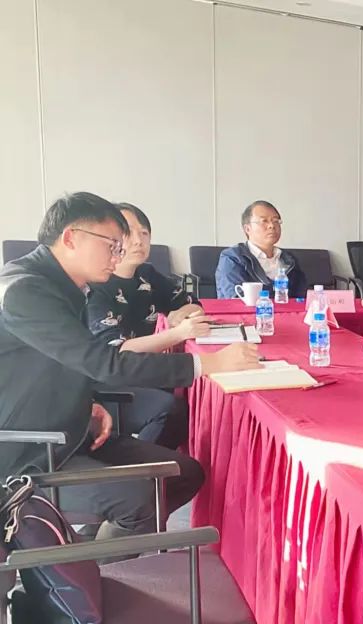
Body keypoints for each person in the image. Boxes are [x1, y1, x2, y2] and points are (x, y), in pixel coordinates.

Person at [0, 192, 261, 543]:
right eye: (111, 245)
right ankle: (87, 567)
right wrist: (207, 363)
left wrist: (88, 401)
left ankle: (91, 547)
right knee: (140, 502)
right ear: (71, 238)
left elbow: (64, 360)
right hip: (30, 452)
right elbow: (105, 361)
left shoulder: (66, 284)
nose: (118, 255)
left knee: (184, 473)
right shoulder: (25, 290)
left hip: (72, 431)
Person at [86, 202, 208, 448]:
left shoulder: (147, 274)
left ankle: (163, 464)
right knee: (172, 409)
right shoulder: (95, 284)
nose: (138, 241)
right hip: (106, 378)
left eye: (144, 233)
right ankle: (138, 467)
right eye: (128, 232)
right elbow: (117, 350)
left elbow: (194, 304)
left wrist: (180, 314)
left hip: (140, 369)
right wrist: (178, 333)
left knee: (197, 391)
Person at [216, 200, 308, 299]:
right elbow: (236, 299)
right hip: (253, 309)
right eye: (264, 221)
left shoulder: (288, 259)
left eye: (275, 221)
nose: (272, 226)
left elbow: (302, 298)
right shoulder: (233, 258)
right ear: (247, 229)